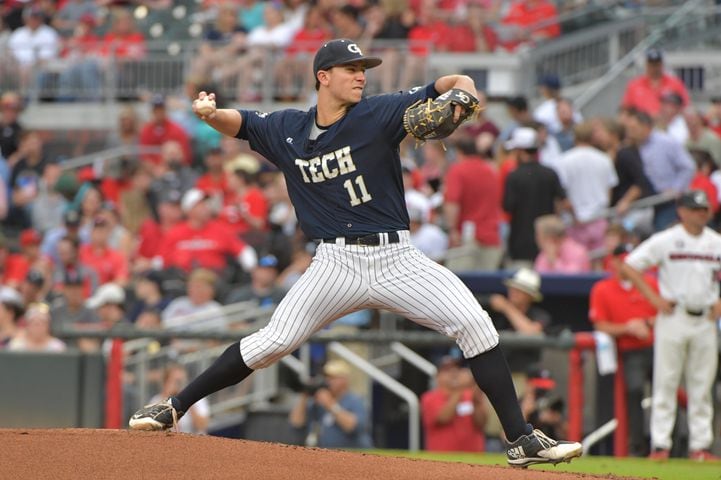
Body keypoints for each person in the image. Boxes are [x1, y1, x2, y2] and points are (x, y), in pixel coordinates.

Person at [129, 38, 583, 467]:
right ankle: (174, 407)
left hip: (397, 258)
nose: (361, 76)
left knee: (474, 323)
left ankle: (520, 438)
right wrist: (210, 115)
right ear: (323, 76)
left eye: (363, 69)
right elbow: (243, 123)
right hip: (335, 263)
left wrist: (464, 93)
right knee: (273, 341)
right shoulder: (287, 128)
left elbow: (448, 83)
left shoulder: (379, 113)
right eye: (351, 69)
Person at [621, 190, 721, 461]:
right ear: (683, 211)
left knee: (702, 384)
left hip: (705, 319)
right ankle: (660, 445)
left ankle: (700, 446)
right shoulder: (667, 239)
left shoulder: (715, 242)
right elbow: (629, 266)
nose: (702, 213)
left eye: (705, 209)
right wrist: (654, 298)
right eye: (697, 209)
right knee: (666, 381)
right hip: (674, 315)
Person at [589, 244, 656, 457]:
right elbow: (600, 324)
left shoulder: (650, 283)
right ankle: (637, 447)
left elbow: (666, 311)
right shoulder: (603, 288)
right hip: (629, 350)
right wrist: (628, 327)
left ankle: (671, 445)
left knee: (669, 394)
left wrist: (644, 323)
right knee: (634, 391)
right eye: (621, 260)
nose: (626, 265)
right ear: (614, 262)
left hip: (656, 347)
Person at [289, 359, 372, 449]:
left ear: (344, 380)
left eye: (332, 377)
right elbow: (296, 423)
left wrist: (330, 405)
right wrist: (304, 395)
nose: (328, 381)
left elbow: (353, 427)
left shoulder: (355, 400)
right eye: (326, 377)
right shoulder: (318, 401)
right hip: (325, 456)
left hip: (353, 456)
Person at [421, 356, 487, 452]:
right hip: (442, 460)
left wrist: (476, 397)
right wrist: (459, 388)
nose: (453, 373)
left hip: (474, 458)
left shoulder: (470, 395)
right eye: (447, 370)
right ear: (438, 376)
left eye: (456, 368)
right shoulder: (429, 398)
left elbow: (482, 422)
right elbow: (443, 418)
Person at [149, 364, 210, 434]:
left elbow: (202, 426)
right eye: (176, 381)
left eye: (182, 381)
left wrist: (188, 400)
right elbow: (153, 428)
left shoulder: (198, 399)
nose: (180, 385)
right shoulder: (157, 400)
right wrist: (166, 397)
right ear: (166, 382)